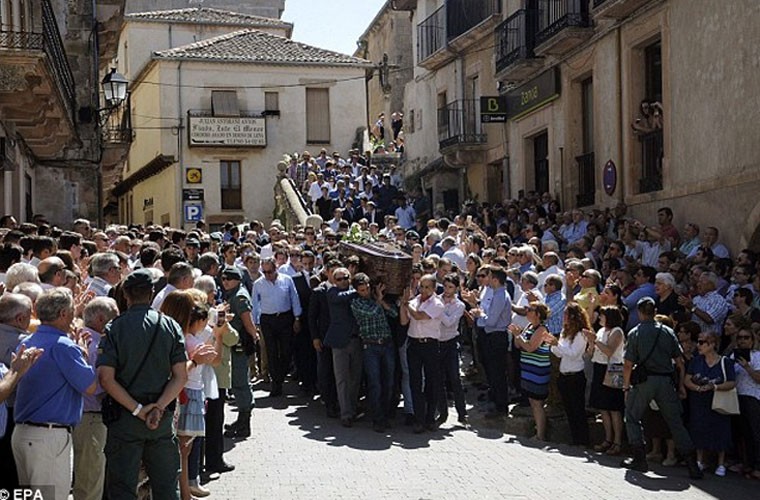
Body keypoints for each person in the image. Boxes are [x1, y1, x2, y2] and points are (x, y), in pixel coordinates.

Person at [98, 269, 191, 499]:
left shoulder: (115, 328)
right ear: (151, 293)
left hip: (125, 419)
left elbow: (105, 379)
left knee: (121, 488)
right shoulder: (170, 326)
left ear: (126, 295)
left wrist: (138, 410)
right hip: (160, 421)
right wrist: (158, 407)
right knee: (167, 487)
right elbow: (181, 376)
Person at [12, 288, 97, 499]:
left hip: (24, 434)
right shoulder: (65, 346)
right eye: (71, 311)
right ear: (63, 314)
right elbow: (90, 386)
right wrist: (83, 355)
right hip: (48, 438)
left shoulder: (27, 341)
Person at [620, 296, 703, 478]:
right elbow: (680, 361)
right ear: (655, 312)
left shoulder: (635, 332)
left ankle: (640, 459)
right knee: (675, 422)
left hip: (644, 382)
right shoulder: (667, 332)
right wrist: (680, 385)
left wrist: (626, 387)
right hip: (665, 381)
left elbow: (628, 364)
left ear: (640, 312)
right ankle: (692, 464)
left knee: (632, 417)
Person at [160, 291, 217, 500]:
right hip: (176, 397)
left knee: (184, 448)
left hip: (179, 395)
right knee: (181, 448)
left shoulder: (179, 335)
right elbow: (178, 370)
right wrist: (196, 360)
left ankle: (184, 493)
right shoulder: (176, 337)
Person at [72, 297, 119, 500]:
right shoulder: (94, 346)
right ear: (101, 319)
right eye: (114, 316)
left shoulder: (87, 340)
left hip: (87, 418)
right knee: (89, 482)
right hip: (91, 419)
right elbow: (99, 388)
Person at [684, 330, 736, 476]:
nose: (698, 345)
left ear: (712, 344)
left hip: (718, 401)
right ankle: (700, 460)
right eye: (698, 341)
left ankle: (721, 463)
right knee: (698, 428)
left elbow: (731, 382)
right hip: (699, 400)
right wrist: (697, 387)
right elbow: (687, 379)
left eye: (702, 342)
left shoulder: (725, 362)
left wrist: (715, 387)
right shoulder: (696, 361)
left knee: (721, 430)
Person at [349, 273, 397, 432]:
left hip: (387, 343)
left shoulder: (376, 299)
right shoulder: (356, 303)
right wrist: (378, 300)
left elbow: (394, 313)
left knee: (389, 382)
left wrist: (381, 299)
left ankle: (386, 413)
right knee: (375, 383)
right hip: (370, 346)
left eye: (368, 288)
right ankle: (378, 418)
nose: (366, 292)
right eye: (362, 290)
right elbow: (372, 312)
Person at [400, 274, 445, 433]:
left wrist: (407, 304)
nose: (424, 290)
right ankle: (418, 419)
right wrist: (403, 306)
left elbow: (419, 316)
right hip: (414, 344)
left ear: (433, 289)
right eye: (422, 286)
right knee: (415, 382)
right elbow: (404, 321)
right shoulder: (414, 301)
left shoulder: (437, 303)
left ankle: (430, 417)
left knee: (431, 381)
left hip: (430, 344)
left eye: (427, 287)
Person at [252, 258, 302, 397]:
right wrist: (255, 323)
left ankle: (281, 374)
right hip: (267, 320)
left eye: (270, 271)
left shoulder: (287, 280)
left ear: (276, 269)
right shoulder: (258, 284)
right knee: (271, 351)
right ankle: (276, 382)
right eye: (265, 272)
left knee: (286, 350)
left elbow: (294, 298)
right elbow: (255, 304)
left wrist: (297, 317)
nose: (267, 274)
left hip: (285, 318)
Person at [221, 266, 259, 438]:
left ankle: (244, 423)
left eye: (229, 278)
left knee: (240, 381)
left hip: (239, 345)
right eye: (223, 279)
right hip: (233, 343)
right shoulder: (233, 294)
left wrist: (254, 336)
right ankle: (241, 420)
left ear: (237, 279)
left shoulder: (239, 297)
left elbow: (247, 321)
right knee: (237, 381)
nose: (225, 282)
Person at [544, 303, 590, 446]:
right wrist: (553, 344)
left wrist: (557, 344)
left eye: (565, 315)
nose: (563, 318)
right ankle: (575, 438)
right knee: (569, 409)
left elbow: (573, 354)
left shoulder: (581, 334)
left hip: (575, 375)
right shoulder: (566, 332)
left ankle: (583, 439)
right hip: (564, 375)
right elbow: (559, 353)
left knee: (578, 409)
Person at [471, 267, 512, 418]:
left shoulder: (500, 295)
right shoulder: (497, 294)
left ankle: (500, 405)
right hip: (493, 336)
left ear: (495, 279)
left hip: (496, 336)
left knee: (497, 373)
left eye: (489, 277)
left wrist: (480, 313)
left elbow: (492, 321)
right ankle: (495, 401)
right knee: (493, 372)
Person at [323, 267, 362, 427]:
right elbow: (340, 298)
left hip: (355, 340)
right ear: (334, 280)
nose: (343, 281)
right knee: (342, 379)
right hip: (339, 342)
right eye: (339, 279)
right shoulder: (332, 292)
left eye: (346, 278)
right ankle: (345, 413)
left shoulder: (354, 291)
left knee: (355, 378)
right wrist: (357, 291)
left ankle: (352, 409)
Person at [586, 305, 626, 455]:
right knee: (603, 407)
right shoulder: (601, 331)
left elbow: (610, 351)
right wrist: (591, 343)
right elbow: (592, 352)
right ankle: (607, 439)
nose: (600, 318)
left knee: (614, 408)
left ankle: (617, 441)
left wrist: (595, 341)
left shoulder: (617, 331)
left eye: (603, 316)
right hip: (599, 367)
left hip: (612, 370)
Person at [510, 302, 551, 441]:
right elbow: (518, 344)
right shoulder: (529, 326)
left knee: (537, 402)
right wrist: (517, 336)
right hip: (528, 368)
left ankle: (540, 434)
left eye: (530, 310)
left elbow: (530, 347)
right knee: (532, 401)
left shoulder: (542, 329)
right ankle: (537, 430)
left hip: (538, 370)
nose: (526, 311)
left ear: (538, 314)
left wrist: (519, 336)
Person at [437, 273, 467, 426]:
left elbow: (449, 322)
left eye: (451, 287)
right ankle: (442, 413)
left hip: (450, 343)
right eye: (445, 286)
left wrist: (438, 309)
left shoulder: (459, 305)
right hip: (437, 342)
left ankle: (462, 414)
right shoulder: (436, 300)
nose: (447, 290)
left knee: (454, 378)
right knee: (439, 379)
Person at [731, 326, 760, 479]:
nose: (742, 341)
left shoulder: (758, 356)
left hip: (753, 397)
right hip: (737, 397)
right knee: (743, 434)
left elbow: (758, 378)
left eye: (746, 338)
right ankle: (746, 464)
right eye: (740, 338)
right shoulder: (733, 356)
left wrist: (747, 366)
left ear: (752, 339)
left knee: (755, 433)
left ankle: (758, 466)